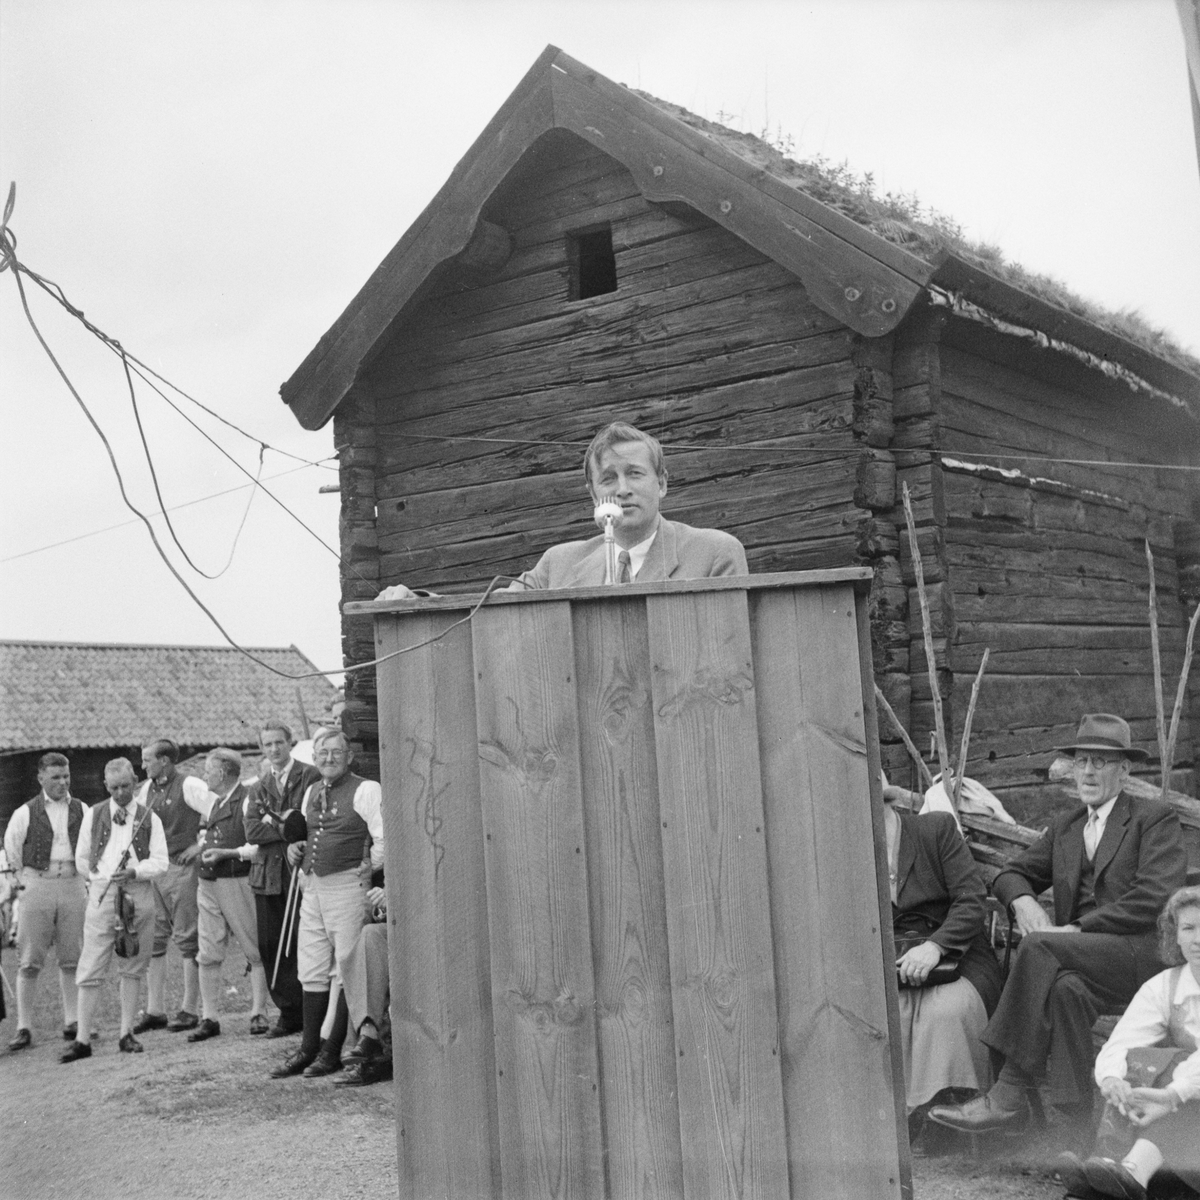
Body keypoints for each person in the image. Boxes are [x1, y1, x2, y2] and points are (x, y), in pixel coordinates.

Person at [928, 714, 1187, 1139]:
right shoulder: (1068, 826)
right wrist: (1024, 900)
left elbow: (1154, 898)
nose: (1087, 771)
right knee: (1066, 990)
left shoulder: (1152, 819)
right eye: (1082, 760)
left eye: (1101, 762)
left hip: (1141, 958)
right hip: (1086, 966)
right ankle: (1075, 1133)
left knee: (1039, 949)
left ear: (1124, 770)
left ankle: (1007, 1092)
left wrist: (1078, 929)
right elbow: (1010, 873)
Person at [376, 422, 747, 599]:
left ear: (662, 483)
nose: (622, 489)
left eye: (634, 474)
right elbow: (489, 608)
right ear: (592, 493)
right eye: (608, 479)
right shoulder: (559, 564)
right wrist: (418, 602)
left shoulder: (715, 552)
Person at [1054, 885, 1200, 1199]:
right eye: (1189, 928)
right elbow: (1122, 1042)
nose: (1198, 939)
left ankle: (1130, 1173)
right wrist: (1111, 1079)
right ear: (1175, 935)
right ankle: (1109, 1167)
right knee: (1138, 1061)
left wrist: (1171, 1096)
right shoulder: (1165, 986)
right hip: (1181, 1124)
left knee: (1177, 1065)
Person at [883, 786, 1004, 1132]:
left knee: (946, 1011)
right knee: (888, 1011)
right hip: (894, 963)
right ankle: (905, 1121)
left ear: (884, 796)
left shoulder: (935, 829)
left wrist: (935, 947)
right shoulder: (847, 852)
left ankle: (948, 1119)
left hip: (958, 955)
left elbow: (971, 900)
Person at [270, 729, 383, 1079]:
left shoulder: (366, 789)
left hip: (348, 885)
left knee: (348, 964)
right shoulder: (311, 790)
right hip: (313, 886)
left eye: (336, 752)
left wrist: (371, 866)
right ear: (314, 757)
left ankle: (332, 1050)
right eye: (322, 753)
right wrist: (294, 849)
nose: (329, 758)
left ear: (349, 757)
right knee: (312, 965)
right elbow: (307, 834)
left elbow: (383, 838)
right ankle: (308, 1048)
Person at [63, 758, 168, 1061]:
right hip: (103, 893)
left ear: (135, 781)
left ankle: (127, 1033)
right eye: (114, 788)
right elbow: (82, 858)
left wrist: (135, 872)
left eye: (125, 786)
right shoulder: (94, 814)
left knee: (134, 962)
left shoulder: (151, 818)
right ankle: (82, 1039)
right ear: (106, 786)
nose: (121, 793)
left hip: (138, 893)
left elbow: (161, 861)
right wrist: (102, 875)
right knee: (92, 961)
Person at [3, 752, 88, 1051]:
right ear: (41, 778)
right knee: (28, 959)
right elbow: (10, 850)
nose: (62, 783)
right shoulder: (25, 812)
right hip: (37, 882)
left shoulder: (82, 809)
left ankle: (73, 1021)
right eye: (55, 777)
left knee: (72, 956)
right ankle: (24, 1026)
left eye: (65, 776)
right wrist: (17, 883)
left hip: (73, 882)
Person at [244, 721, 321, 1037]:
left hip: (298, 870)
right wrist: (284, 830)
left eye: (279, 743)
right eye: (267, 744)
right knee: (270, 943)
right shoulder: (258, 786)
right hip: (267, 874)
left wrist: (281, 828)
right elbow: (251, 830)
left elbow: (307, 824)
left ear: (290, 743)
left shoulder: (309, 776)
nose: (273, 749)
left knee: (302, 940)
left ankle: (308, 1011)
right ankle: (287, 1012)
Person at [190, 747, 269, 1041]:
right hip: (208, 883)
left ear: (222, 773)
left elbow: (260, 844)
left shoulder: (247, 799)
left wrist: (228, 852)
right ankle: (209, 1016)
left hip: (236, 879)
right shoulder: (215, 802)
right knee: (208, 950)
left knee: (253, 947)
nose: (204, 776)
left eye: (208, 771)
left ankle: (259, 1011)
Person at [133, 738, 206, 1035]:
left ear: (164, 761)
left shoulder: (190, 785)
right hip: (156, 871)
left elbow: (221, 811)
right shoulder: (146, 789)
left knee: (188, 938)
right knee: (155, 939)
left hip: (182, 869)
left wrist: (200, 846)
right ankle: (155, 1010)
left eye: (147, 759)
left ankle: (190, 1009)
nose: (143, 765)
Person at [334, 887, 392, 1088]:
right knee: (368, 939)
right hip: (404, 932)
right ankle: (367, 1036)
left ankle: (364, 1048)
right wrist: (385, 903)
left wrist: (393, 901)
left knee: (371, 938)